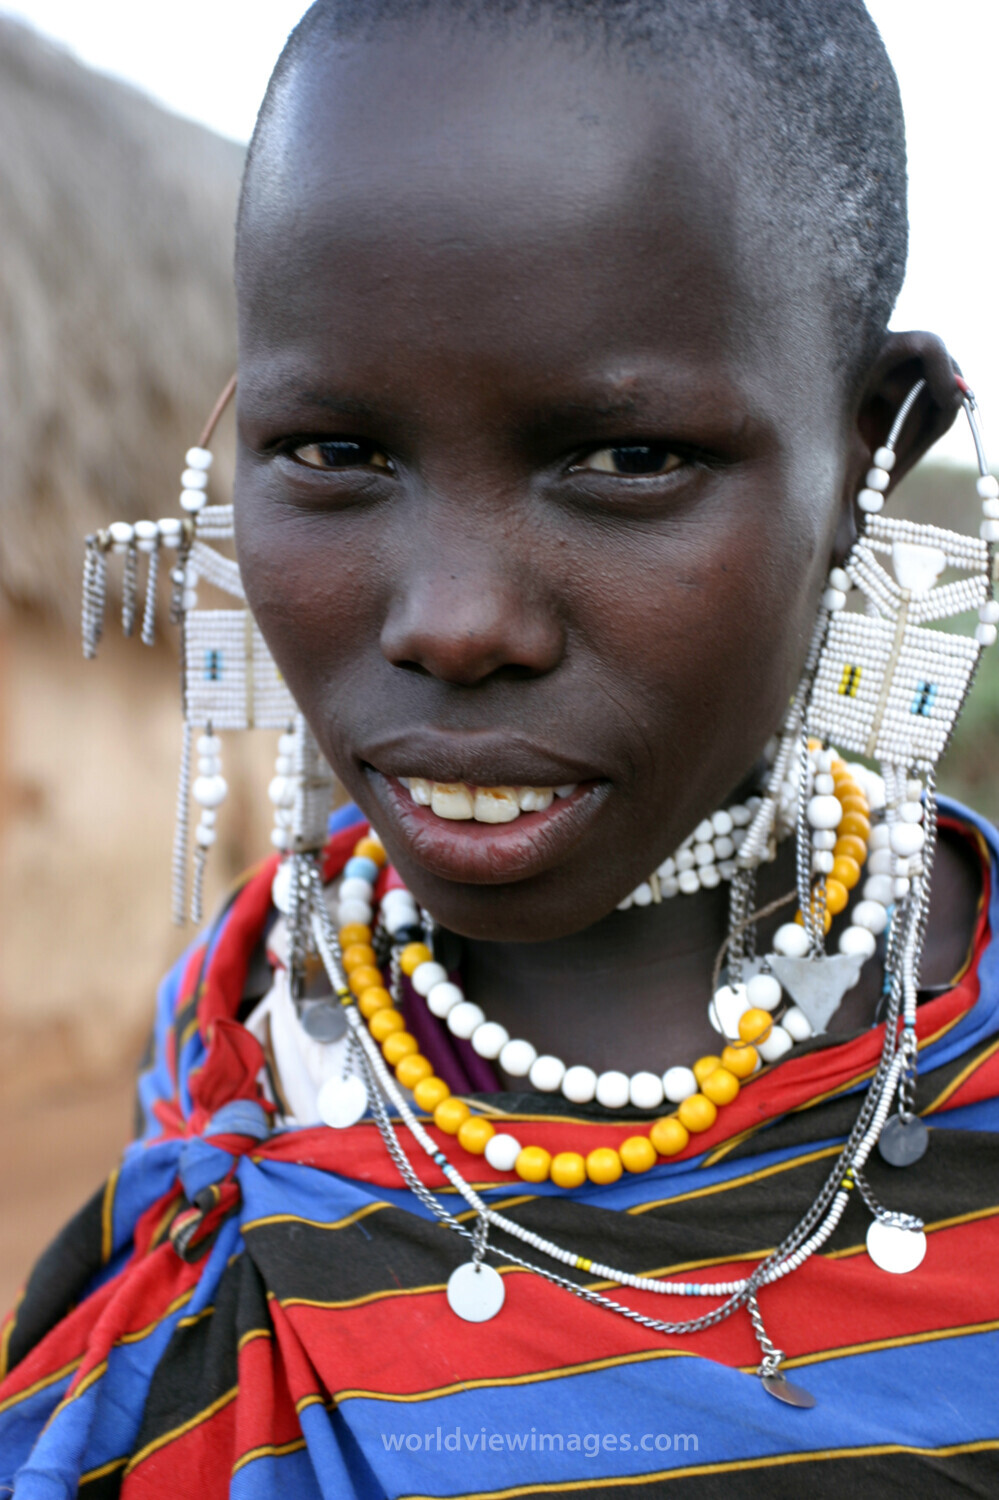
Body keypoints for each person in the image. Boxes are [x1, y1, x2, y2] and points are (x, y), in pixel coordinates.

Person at [2, 1, 998, 1493]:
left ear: (870, 446)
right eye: (335, 453)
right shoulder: (243, 1046)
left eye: (629, 459)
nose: (458, 626)